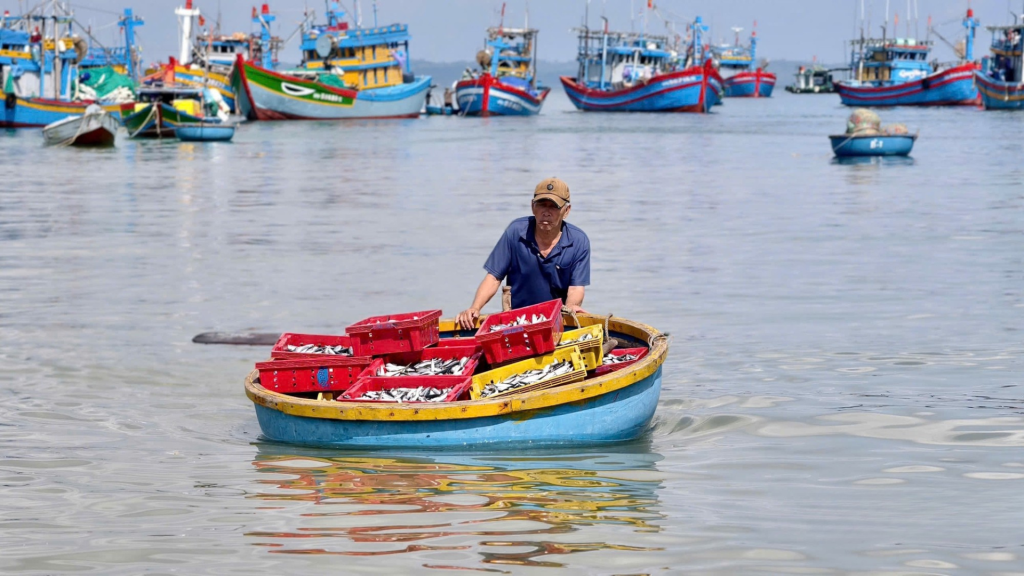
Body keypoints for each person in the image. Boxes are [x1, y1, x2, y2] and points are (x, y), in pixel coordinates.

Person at [456, 178, 590, 330]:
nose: (546, 212)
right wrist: (475, 308)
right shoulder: (515, 232)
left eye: (554, 206)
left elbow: (576, 288)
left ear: (566, 211)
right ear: (533, 207)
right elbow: (493, 277)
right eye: (541, 205)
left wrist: (571, 306)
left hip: (556, 322)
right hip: (516, 322)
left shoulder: (579, 241)